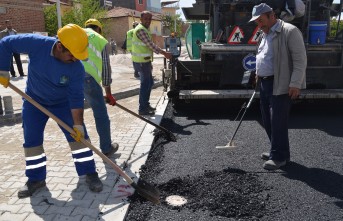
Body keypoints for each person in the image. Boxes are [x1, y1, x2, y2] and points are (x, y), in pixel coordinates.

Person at [0, 24, 103, 198]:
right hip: (34, 101)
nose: (74, 59)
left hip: (61, 104)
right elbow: (5, 43)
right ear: (60, 46)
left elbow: (76, 98)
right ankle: (36, 179)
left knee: (79, 139)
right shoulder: (37, 44)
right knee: (31, 141)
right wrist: (3, 69)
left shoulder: (76, 68)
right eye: (71, 54)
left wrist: (78, 125)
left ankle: (89, 172)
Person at [249, 3, 307, 170]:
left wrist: (295, 83)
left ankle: (279, 157)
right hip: (265, 83)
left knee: (277, 121)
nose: (259, 24)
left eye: (261, 20)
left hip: (281, 83)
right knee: (267, 119)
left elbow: (300, 60)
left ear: (272, 15)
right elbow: (263, 56)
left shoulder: (289, 31)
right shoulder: (263, 33)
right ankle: (278, 150)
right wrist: (258, 74)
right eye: (257, 22)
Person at [83, 18, 119, 157]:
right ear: (98, 29)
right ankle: (106, 148)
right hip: (88, 80)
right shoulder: (99, 39)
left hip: (71, 79)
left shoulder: (77, 34)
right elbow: (105, 67)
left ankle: (84, 149)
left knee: (75, 114)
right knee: (100, 115)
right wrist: (108, 93)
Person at [131, 11, 172, 115]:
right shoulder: (141, 30)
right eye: (146, 19)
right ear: (141, 19)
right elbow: (151, 45)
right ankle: (142, 108)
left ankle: (145, 104)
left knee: (149, 83)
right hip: (141, 62)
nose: (148, 21)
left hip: (145, 61)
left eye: (149, 19)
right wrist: (164, 53)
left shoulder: (144, 29)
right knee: (145, 84)